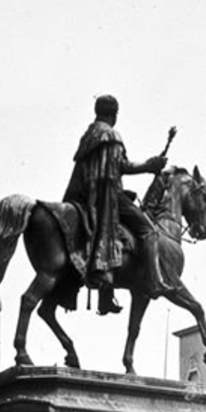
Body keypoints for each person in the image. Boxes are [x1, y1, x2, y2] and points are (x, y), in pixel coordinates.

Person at [62, 94, 176, 315]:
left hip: (85, 198)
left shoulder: (88, 136)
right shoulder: (111, 135)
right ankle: (155, 282)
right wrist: (149, 165)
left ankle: (106, 297)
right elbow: (120, 166)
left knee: (115, 238)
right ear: (114, 114)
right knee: (149, 231)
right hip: (107, 197)